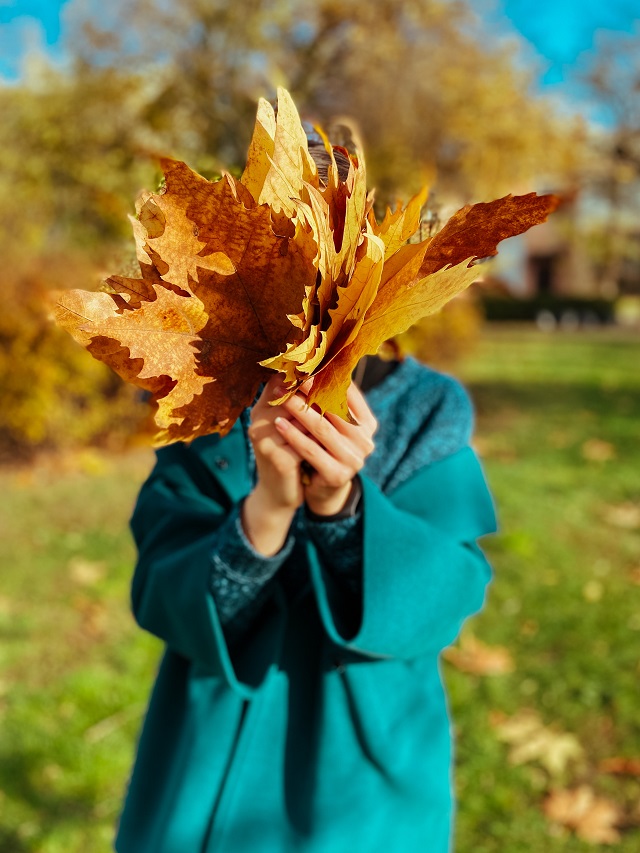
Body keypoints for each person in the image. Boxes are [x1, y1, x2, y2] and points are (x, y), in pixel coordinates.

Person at [114, 147, 497, 853]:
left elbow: (445, 593)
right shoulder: (206, 399)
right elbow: (163, 583)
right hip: (209, 764)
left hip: (359, 770)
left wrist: (342, 508)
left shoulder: (425, 409)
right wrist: (266, 508)